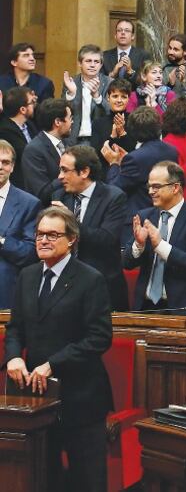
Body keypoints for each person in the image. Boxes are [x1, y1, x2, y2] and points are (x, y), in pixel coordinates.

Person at [4, 206, 113, 491]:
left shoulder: (90, 279)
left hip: (81, 397)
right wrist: (14, 356)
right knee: (44, 477)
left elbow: (99, 338)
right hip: (37, 399)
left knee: (86, 481)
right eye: (39, 234)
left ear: (72, 239)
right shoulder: (27, 275)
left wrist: (53, 363)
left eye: (52, 235)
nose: (43, 240)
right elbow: (16, 327)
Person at [123, 160, 186, 325]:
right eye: (149, 186)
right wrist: (139, 245)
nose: (150, 192)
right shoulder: (145, 216)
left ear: (175, 187)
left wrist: (160, 246)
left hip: (182, 310)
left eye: (156, 187)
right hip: (145, 308)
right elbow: (127, 263)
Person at [52, 145, 129, 311]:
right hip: (65, 286)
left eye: (65, 170)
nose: (60, 176)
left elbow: (106, 239)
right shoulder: (60, 196)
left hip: (102, 286)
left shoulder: (113, 197)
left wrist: (70, 221)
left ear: (84, 172)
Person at [103, 106, 179, 223]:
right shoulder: (172, 151)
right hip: (166, 217)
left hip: (139, 220)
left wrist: (114, 163)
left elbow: (113, 189)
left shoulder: (134, 158)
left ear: (133, 131)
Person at [0, 140, 39, 309]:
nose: (0, 166)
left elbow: (31, 252)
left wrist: (2, 241)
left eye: (5, 162)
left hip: (6, 290)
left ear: (13, 167)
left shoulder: (28, 203)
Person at [21, 97, 72, 202]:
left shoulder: (67, 144)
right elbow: (41, 192)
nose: (72, 122)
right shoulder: (34, 150)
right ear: (58, 122)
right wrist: (69, 174)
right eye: (70, 118)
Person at [63, 44, 110, 146]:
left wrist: (97, 97)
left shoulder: (109, 83)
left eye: (96, 62)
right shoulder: (71, 82)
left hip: (100, 142)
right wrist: (71, 94)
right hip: (73, 141)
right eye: (88, 61)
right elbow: (62, 112)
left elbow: (111, 112)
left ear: (101, 65)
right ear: (80, 63)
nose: (92, 65)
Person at [0, 87, 36, 189]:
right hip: (20, 183)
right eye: (32, 102)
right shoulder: (5, 130)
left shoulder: (30, 125)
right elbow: (27, 154)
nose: (34, 105)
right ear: (23, 109)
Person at [102, 19, 148, 86]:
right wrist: (113, 74)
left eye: (127, 30)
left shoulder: (143, 55)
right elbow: (100, 83)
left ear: (132, 36)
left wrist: (130, 71)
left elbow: (146, 81)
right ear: (115, 35)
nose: (123, 33)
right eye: (119, 30)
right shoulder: (104, 56)